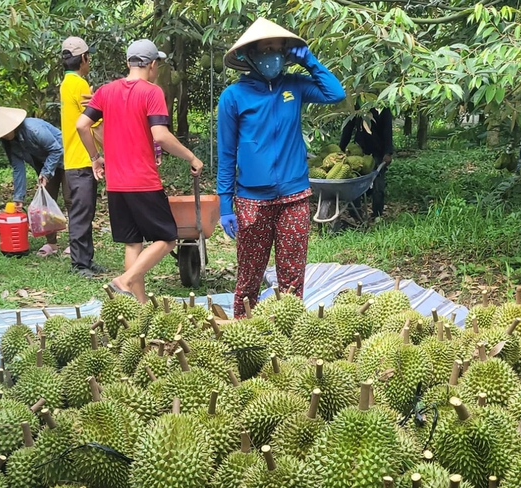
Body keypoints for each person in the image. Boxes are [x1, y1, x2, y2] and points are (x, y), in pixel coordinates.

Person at [217, 17, 346, 318]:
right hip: (252, 201)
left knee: (292, 279)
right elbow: (226, 155)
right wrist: (225, 204)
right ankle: (244, 332)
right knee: (249, 279)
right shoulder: (233, 97)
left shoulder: (295, 87)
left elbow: (335, 94)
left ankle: (288, 339)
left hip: (295, 197)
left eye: (278, 48)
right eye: (266, 48)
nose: (272, 54)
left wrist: (311, 62)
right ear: (250, 54)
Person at [76, 39, 204, 303]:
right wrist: (192, 157)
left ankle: (140, 306)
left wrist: (96, 158)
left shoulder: (106, 91)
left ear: (128, 63)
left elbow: (81, 126)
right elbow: (161, 136)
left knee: (133, 242)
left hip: (116, 183)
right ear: (153, 64)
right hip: (143, 181)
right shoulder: (152, 92)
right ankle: (123, 281)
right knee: (167, 238)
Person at [0, 106, 71, 257]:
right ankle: (51, 243)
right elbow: (18, 168)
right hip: (46, 165)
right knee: (45, 203)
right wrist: (19, 197)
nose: (2, 136)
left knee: (71, 200)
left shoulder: (33, 129)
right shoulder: (8, 143)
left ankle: (75, 244)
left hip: (67, 160)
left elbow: (57, 149)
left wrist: (46, 172)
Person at [60, 36, 106, 277]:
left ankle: (86, 260)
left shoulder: (67, 83)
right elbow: (94, 121)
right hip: (81, 159)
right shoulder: (78, 85)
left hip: (75, 159)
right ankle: (79, 264)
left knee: (85, 212)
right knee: (81, 214)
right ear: (84, 58)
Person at [339, 100, 393, 218]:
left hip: (378, 151)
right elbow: (348, 128)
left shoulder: (383, 106)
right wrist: (341, 147)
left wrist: (388, 152)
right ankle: (355, 214)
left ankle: (377, 214)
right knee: (354, 182)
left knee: (378, 185)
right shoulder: (357, 104)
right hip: (359, 151)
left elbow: (387, 130)